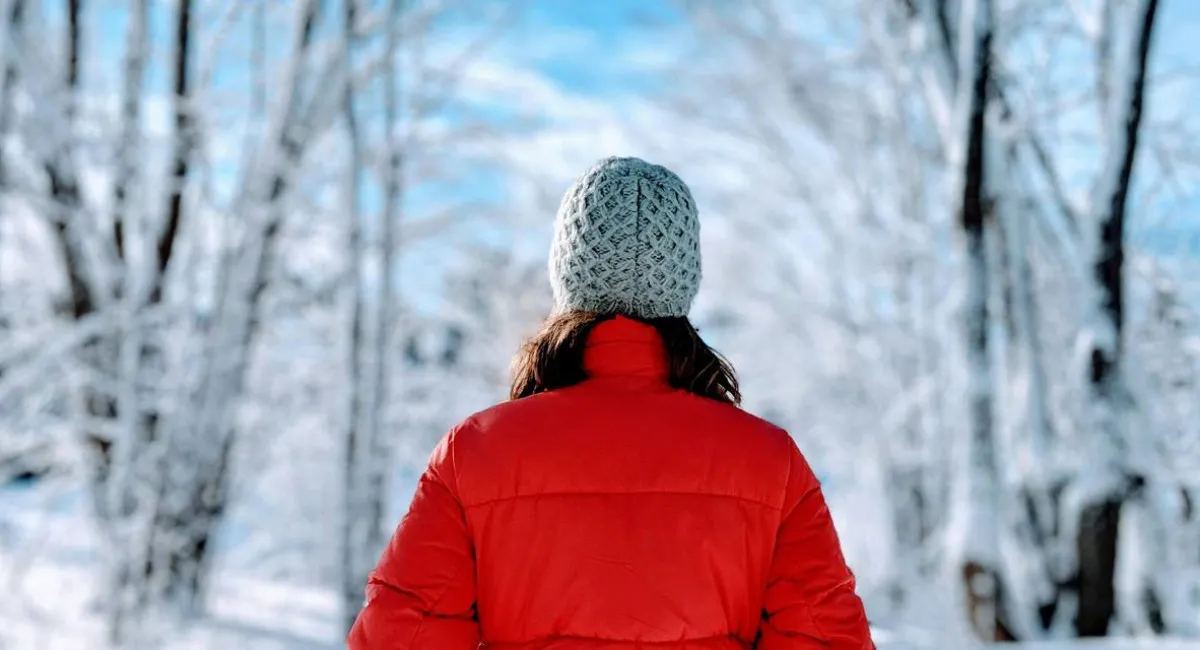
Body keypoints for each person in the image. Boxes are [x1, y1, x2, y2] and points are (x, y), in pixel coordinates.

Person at [347, 157, 874, 649]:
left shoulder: (474, 454)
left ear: (568, 274)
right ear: (682, 281)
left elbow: (402, 633)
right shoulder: (771, 462)